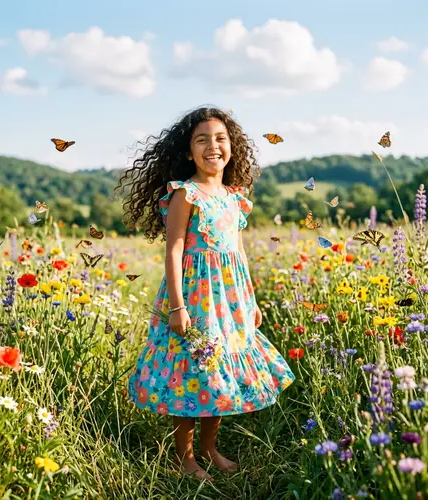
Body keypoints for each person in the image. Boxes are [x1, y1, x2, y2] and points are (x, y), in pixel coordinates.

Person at [118, 106, 295, 482]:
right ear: (188, 151)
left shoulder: (234, 197)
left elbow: (238, 251)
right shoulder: (186, 193)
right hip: (194, 298)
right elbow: (174, 249)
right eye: (202, 140)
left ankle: (210, 448)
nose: (212, 146)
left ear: (232, 147)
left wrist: (250, 299)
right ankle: (185, 457)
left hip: (228, 301)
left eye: (220, 139)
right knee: (193, 373)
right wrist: (178, 306)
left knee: (217, 374)